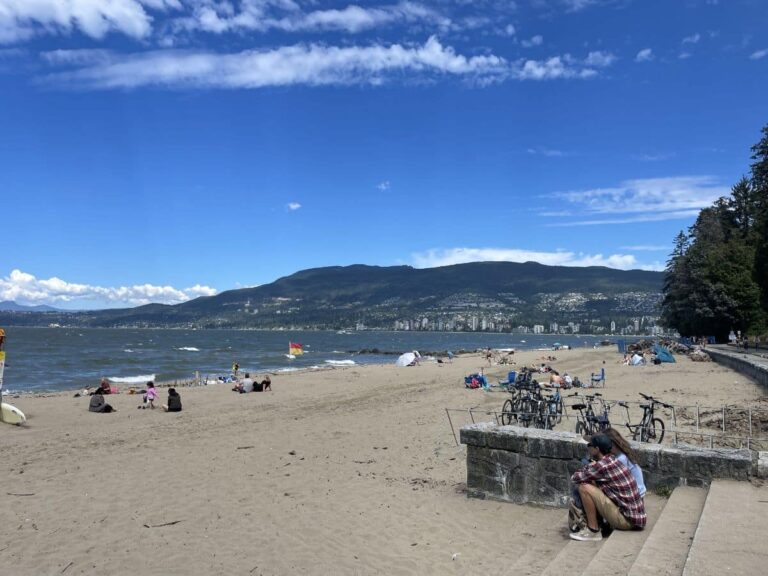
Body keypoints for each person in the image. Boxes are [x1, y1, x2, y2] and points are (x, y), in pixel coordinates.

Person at [569, 434, 646, 541]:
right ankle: (599, 523)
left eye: (590, 445)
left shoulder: (603, 466)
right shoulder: (614, 459)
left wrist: (589, 466)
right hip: (636, 518)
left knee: (584, 487)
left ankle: (593, 530)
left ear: (597, 449)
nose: (588, 448)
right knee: (593, 482)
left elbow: (575, 478)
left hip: (627, 521)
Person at [604, 428, 646, 498]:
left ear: (612, 444)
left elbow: (614, 478)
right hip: (639, 489)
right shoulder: (623, 452)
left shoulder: (621, 458)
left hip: (636, 493)